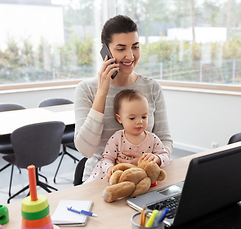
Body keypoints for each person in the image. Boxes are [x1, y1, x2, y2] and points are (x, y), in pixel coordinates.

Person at [74, 14, 173, 182]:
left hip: (143, 177)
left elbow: (165, 140)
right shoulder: (87, 90)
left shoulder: (152, 87)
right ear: (105, 50)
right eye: (121, 49)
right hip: (101, 179)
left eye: (135, 46)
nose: (130, 56)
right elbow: (86, 150)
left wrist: (152, 160)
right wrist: (102, 91)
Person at [85, 89, 170, 183]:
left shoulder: (152, 139)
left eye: (144, 117)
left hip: (139, 179)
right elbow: (107, 159)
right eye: (132, 118)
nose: (139, 122)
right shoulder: (117, 138)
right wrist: (110, 168)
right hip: (117, 179)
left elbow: (165, 156)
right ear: (119, 118)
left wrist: (157, 159)